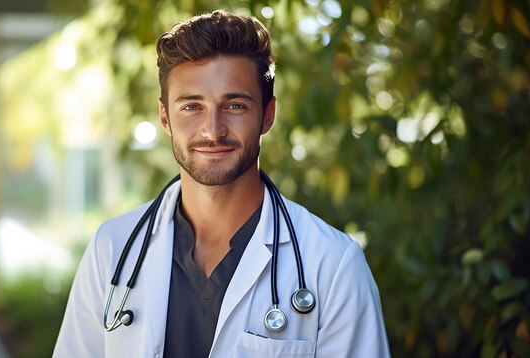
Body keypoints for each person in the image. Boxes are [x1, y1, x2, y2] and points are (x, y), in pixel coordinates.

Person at [54, 10, 389, 357]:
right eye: (192, 107)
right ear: (165, 117)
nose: (213, 130)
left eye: (235, 105)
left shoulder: (332, 266)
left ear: (268, 115)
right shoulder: (112, 249)